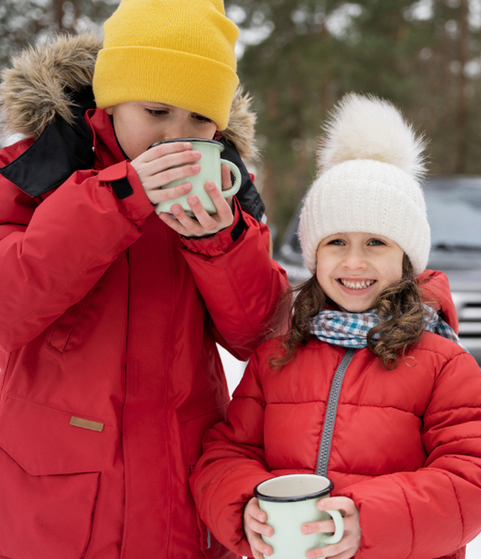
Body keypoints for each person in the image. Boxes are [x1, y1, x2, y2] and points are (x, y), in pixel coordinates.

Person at [0, 1, 288, 558]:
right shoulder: (34, 169)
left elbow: (260, 336)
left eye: (200, 119)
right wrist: (119, 200)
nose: (176, 137)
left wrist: (219, 243)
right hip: (55, 495)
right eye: (156, 111)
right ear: (113, 97)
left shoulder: (229, 191)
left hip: (179, 483)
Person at [190, 93, 481, 559]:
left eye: (376, 242)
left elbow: (477, 476)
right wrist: (242, 505)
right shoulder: (279, 354)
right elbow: (226, 453)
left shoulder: (443, 362)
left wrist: (369, 521)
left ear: (406, 257)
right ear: (313, 254)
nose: (354, 261)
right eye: (336, 241)